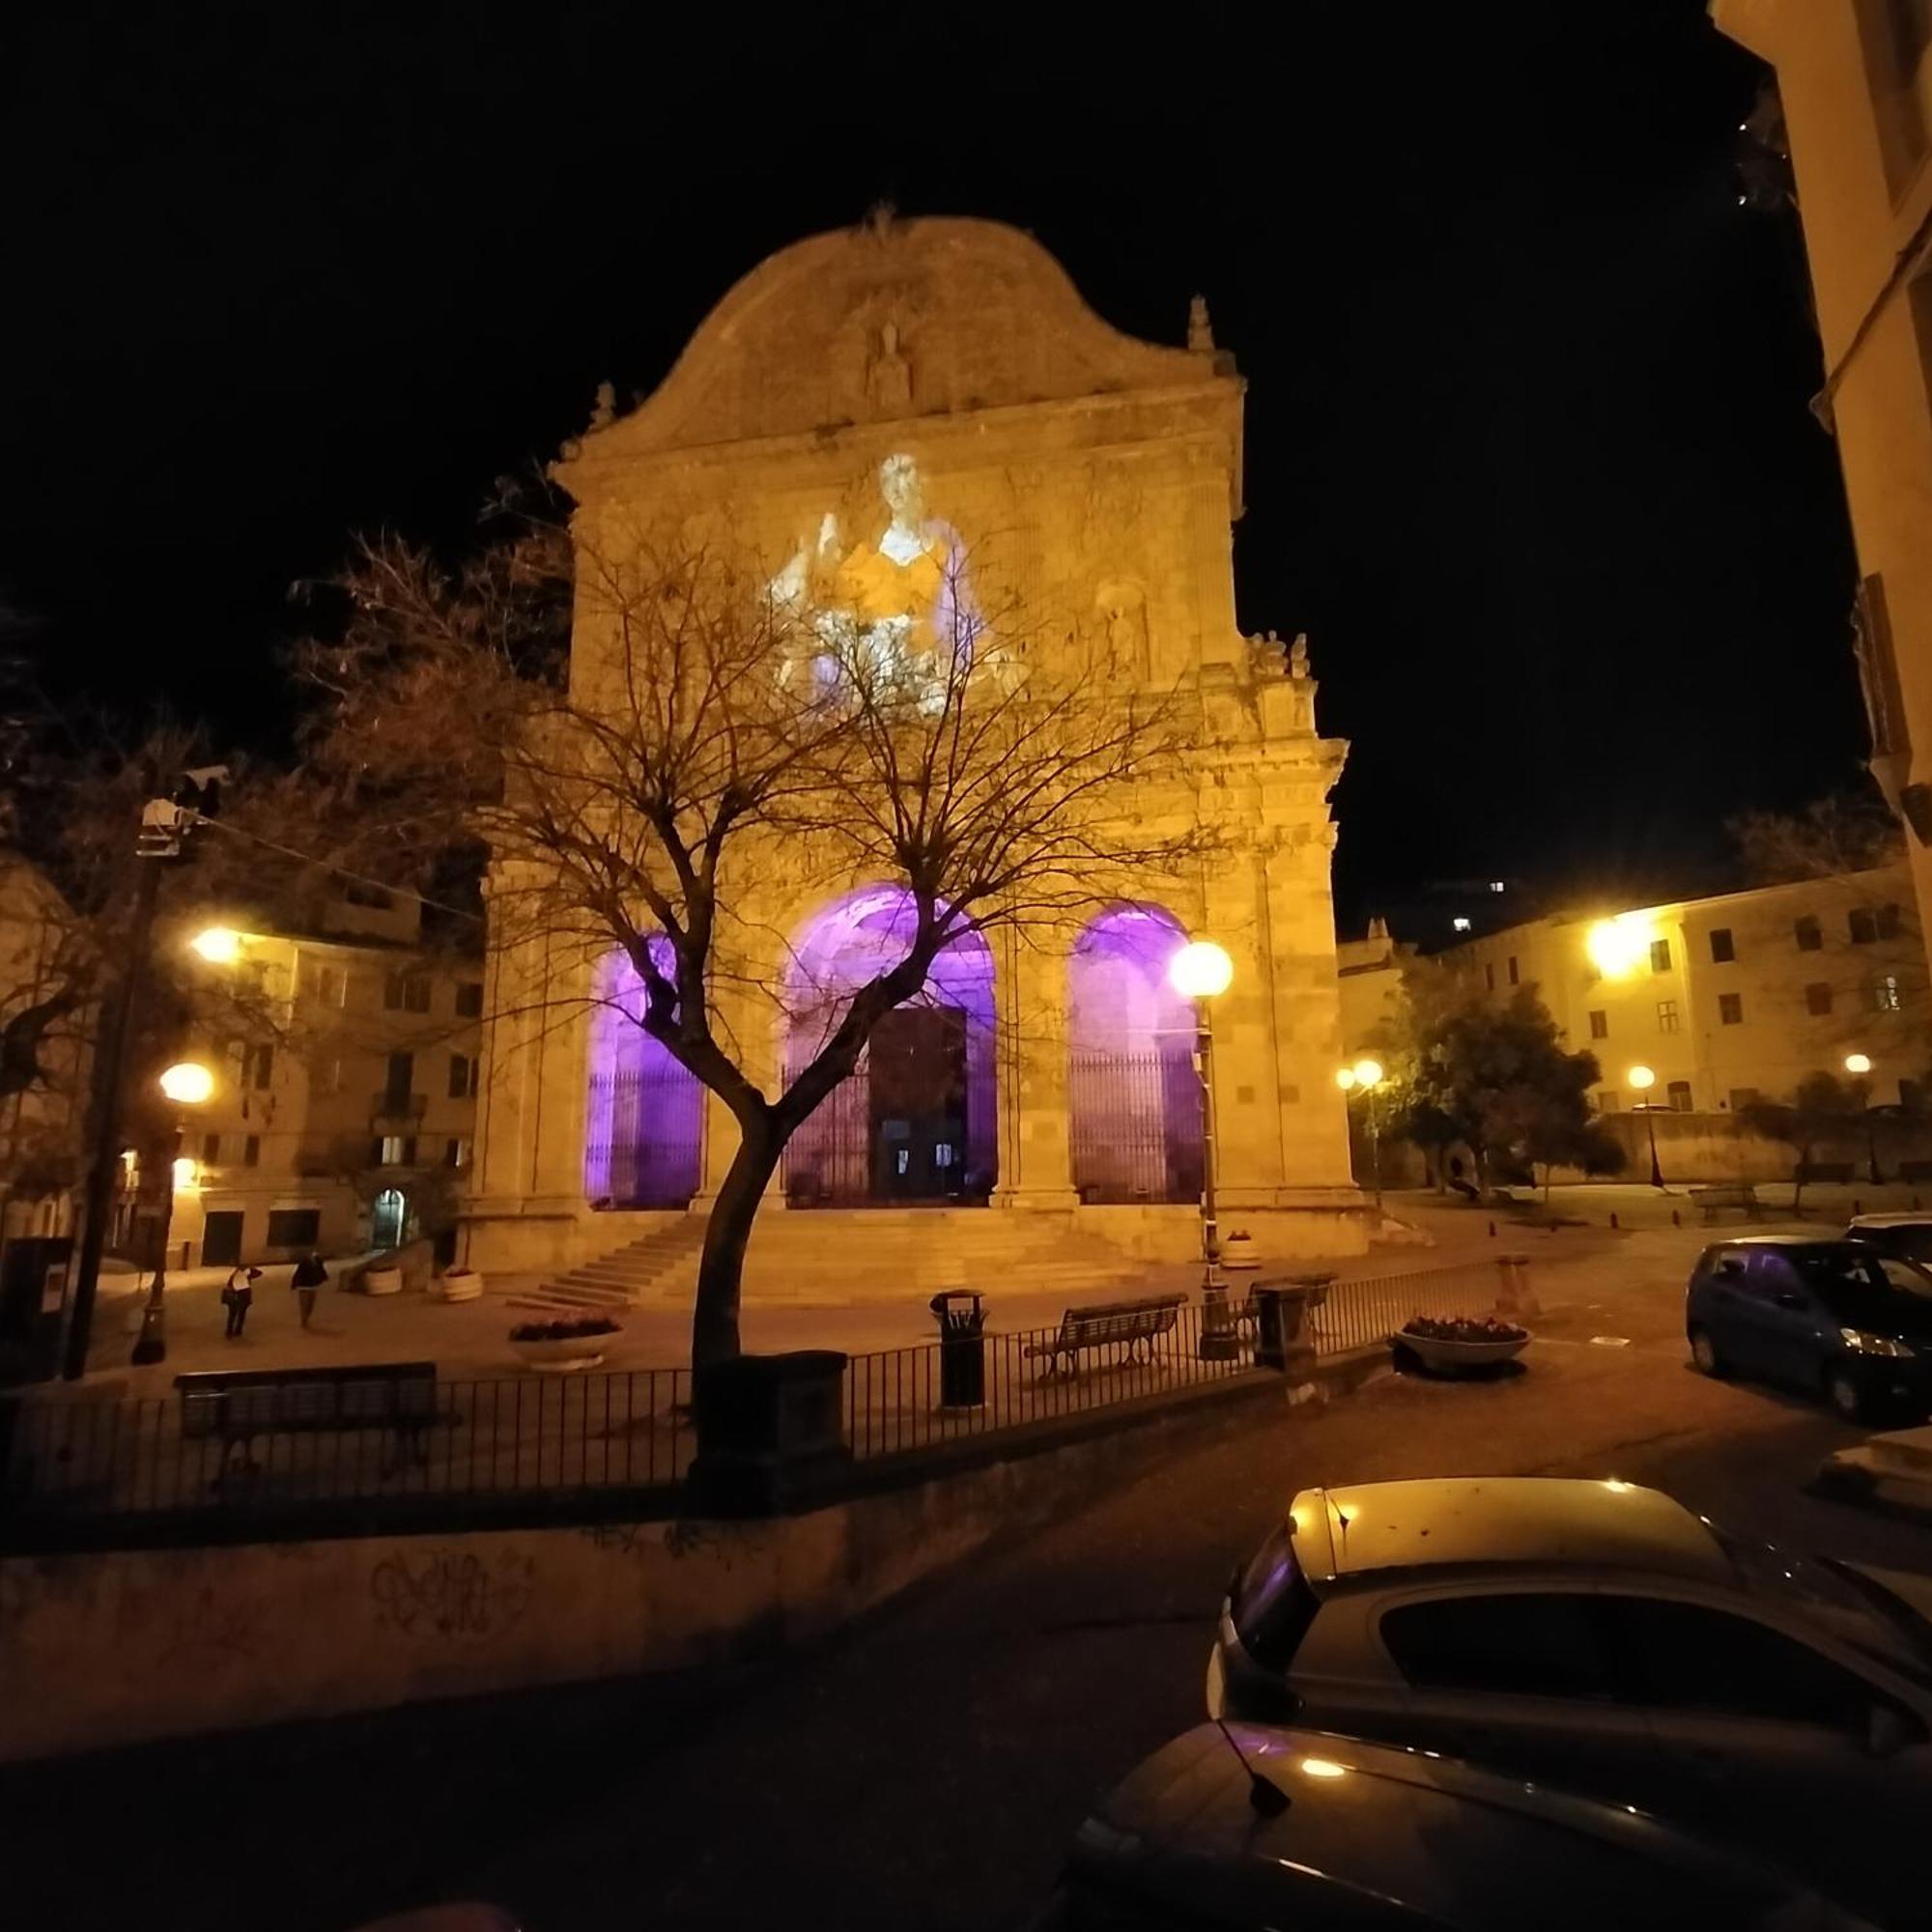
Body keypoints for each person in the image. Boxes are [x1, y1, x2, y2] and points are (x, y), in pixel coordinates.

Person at [221, 1264, 262, 1340]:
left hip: (238, 1294)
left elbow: (229, 1284)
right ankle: (237, 1330)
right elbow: (259, 1273)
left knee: (233, 1314)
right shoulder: (247, 1272)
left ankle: (230, 1331)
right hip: (244, 1293)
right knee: (241, 1313)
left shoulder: (238, 1272)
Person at [291, 1250, 328, 1328]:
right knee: (305, 1304)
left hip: (312, 1286)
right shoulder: (304, 1262)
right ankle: (304, 1320)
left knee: (310, 1305)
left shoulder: (318, 1261)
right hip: (304, 1286)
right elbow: (298, 1273)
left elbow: (321, 1270)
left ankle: (305, 1318)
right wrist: (294, 1284)